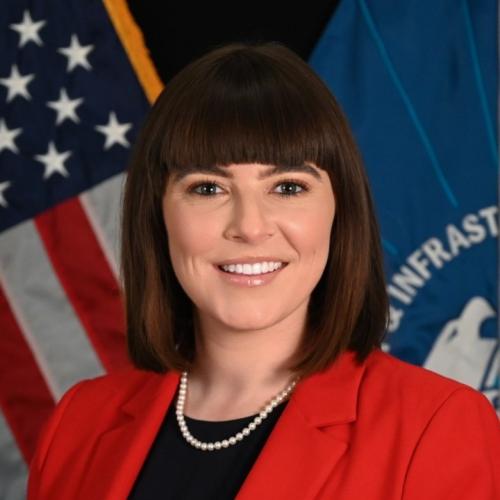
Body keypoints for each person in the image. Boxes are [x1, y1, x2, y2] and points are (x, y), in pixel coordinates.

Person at [27, 41, 499, 500]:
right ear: (157, 214)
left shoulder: (435, 428)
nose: (250, 227)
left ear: (340, 212)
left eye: (288, 187)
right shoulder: (78, 424)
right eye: (208, 188)